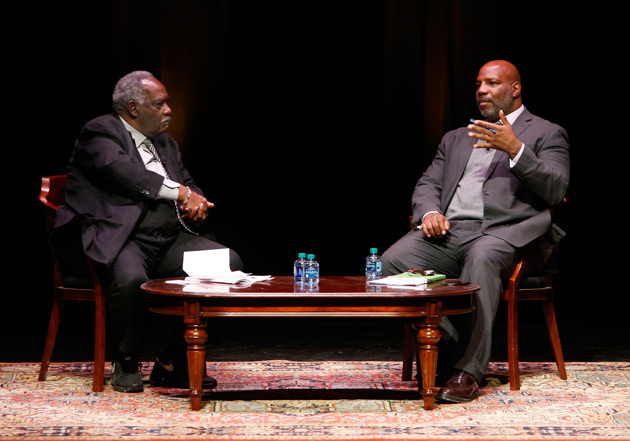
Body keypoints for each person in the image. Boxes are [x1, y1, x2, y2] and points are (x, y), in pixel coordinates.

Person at [381, 60, 570, 403]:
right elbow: (428, 184)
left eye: (493, 83)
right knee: (391, 261)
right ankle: (448, 348)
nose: (482, 90)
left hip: (503, 234)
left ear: (514, 89)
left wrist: (516, 149)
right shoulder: (457, 137)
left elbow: (556, 189)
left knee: (482, 258)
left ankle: (468, 371)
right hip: (450, 233)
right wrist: (430, 211)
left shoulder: (546, 132)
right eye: (479, 84)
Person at [53, 71, 243, 393]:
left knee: (228, 264)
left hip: (169, 238)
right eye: (161, 103)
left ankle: (171, 361)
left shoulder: (165, 143)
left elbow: (186, 181)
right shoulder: (100, 132)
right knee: (129, 280)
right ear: (133, 108)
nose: (169, 109)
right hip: (123, 237)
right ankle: (125, 357)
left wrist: (195, 201)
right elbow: (124, 173)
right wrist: (182, 194)